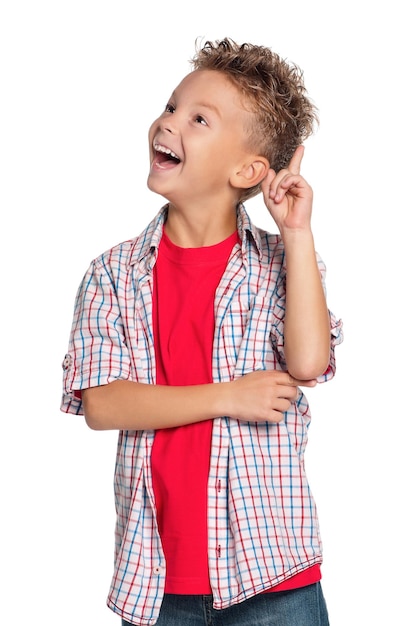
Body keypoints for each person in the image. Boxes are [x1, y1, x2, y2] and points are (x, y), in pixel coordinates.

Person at [61, 38, 343, 626]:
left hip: (274, 576)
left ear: (248, 169)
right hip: (159, 581)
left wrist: (296, 233)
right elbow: (103, 404)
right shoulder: (113, 275)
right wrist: (228, 396)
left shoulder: (280, 265)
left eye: (198, 119)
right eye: (170, 107)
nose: (168, 123)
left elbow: (308, 361)